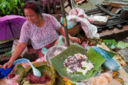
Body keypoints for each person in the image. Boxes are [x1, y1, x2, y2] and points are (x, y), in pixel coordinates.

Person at [3, 1, 80, 69]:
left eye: (31, 15)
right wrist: (11, 61)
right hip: (43, 51)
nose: (28, 18)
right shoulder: (26, 27)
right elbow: (21, 45)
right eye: (26, 16)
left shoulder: (49, 18)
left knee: (70, 59)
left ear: (39, 13)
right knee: (53, 66)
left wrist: (70, 38)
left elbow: (60, 29)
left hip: (58, 44)